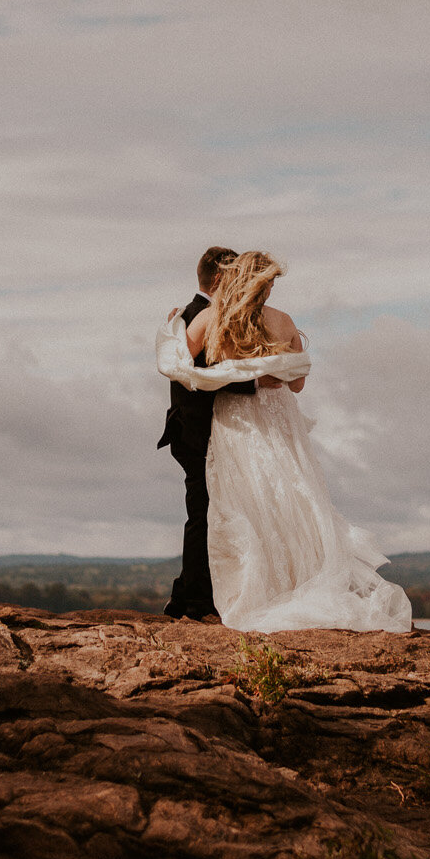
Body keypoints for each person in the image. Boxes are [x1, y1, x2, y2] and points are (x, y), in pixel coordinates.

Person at [157, 251, 412, 633]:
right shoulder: (283, 320)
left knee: (241, 504)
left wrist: (175, 328)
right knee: (290, 500)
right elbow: (296, 383)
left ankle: (245, 593)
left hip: (235, 420)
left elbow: (182, 367)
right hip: (279, 420)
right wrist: (265, 373)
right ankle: (291, 586)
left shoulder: (214, 318)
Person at [156, 247, 264, 620]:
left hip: (191, 427)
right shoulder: (201, 316)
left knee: (203, 513)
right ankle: (197, 601)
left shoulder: (188, 314)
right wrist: (260, 379)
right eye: (235, 276)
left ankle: (185, 595)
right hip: (196, 429)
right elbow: (211, 378)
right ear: (219, 279)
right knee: (202, 515)